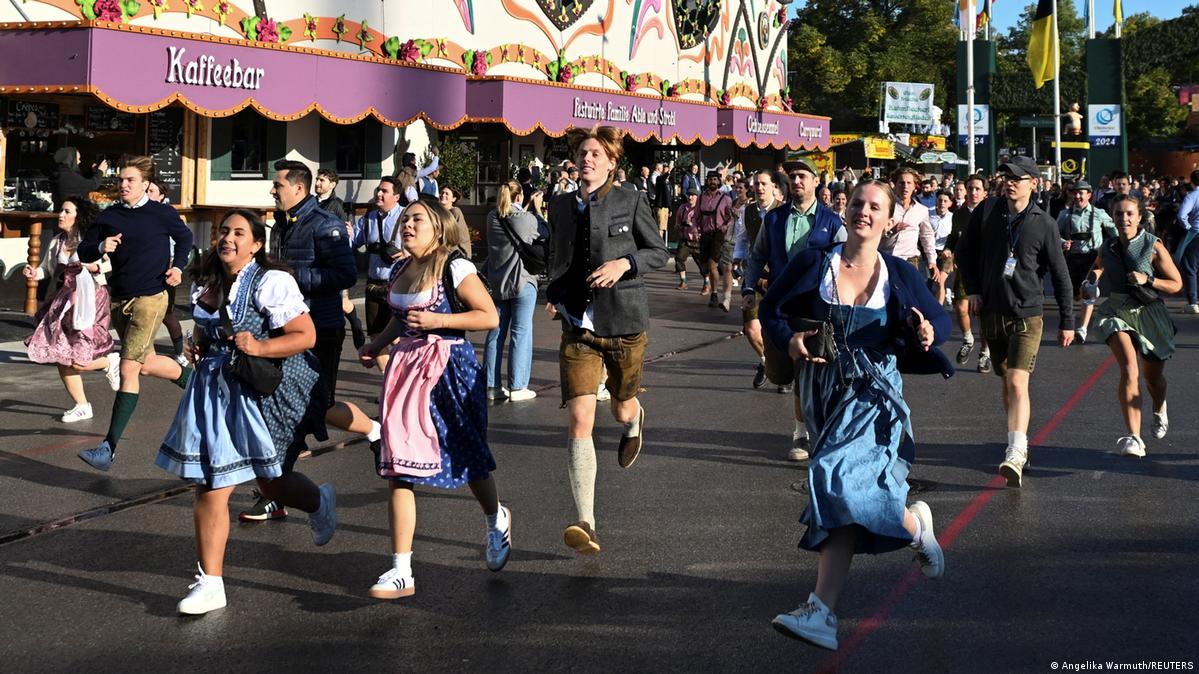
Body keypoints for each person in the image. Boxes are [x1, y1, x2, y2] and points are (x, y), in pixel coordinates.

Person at [760, 180, 948, 651]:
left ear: (889, 220)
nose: (864, 212)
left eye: (875, 207)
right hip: (824, 391)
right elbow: (771, 310)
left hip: (875, 394)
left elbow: (938, 320)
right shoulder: (814, 262)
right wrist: (791, 340)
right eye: (858, 203)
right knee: (841, 492)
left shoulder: (900, 274)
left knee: (832, 476)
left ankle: (821, 611)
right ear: (846, 210)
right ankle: (912, 525)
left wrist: (929, 332)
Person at [157, 210, 335, 615]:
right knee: (210, 483)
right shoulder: (207, 279)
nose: (227, 239)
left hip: (257, 391)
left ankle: (318, 502)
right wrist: (198, 344)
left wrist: (259, 347)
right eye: (223, 231)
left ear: (256, 244)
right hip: (213, 388)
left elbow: (305, 335)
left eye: (239, 233)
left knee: (271, 482)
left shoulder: (272, 281)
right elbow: (206, 328)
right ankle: (210, 582)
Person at [358, 196, 511, 599]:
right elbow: (399, 317)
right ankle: (401, 570)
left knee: (468, 456)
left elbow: (488, 315)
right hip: (406, 371)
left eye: (417, 220)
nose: (407, 225)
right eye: (405, 219)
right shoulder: (399, 267)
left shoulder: (454, 266)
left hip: (449, 368)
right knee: (398, 466)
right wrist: (377, 343)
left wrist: (438, 320)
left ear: (439, 228)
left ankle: (496, 519)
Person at [544, 125, 669, 554]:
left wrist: (623, 264)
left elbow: (659, 251)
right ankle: (586, 521)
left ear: (612, 162)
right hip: (578, 326)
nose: (587, 158)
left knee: (619, 408)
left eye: (596, 153)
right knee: (580, 418)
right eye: (582, 152)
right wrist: (554, 294)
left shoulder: (630, 198)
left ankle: (635, 419)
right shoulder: (559, 205)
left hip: (624, 323)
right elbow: (556, 256)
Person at [248, 160, 376, 520]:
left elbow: (345, 273)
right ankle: (275, 490)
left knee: (308, 409)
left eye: (278, 185)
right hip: (285, 329)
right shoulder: (282, 224)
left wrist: (292, 276)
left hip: (321, 327)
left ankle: (372, 430)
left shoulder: (325, 225)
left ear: (299, 189)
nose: (273, 191)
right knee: (281, 409)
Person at [955, 156, 1075, 488]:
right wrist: (975, 290)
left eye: (1018, 177)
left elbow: (1061, 276)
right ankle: (1016, 439)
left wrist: (1068, 321)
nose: (1010, 181)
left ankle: (1016, 451)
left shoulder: (1044, 223)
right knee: (1006, 383)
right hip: (993, 311)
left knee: (1019, 383)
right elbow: (963, 252)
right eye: (1006, 176)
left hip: (1028, 314)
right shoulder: (988, 212)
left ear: (1033, 183)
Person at [76, 156, 194, 472]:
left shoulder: (161, 213)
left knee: (128, 368)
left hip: (152, 297)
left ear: (145, 184)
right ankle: (198, 384)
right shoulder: (109, 215)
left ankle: (108, 448)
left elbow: (185, 238)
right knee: (146, 365)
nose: (123, 185)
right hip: (120, 300)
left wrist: (178, 267)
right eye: (121, 179)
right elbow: (83, 250)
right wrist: (102, 245)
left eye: (130, 180)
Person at [742, 158, 844, 461]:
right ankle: (808, 423)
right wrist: (748, 289)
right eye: (793, 176)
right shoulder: (774, 219)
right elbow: (757, 255)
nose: (797, 181)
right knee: (780, 372)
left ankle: (803, 434)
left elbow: (847, 261)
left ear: (816, 182)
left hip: (815, 308)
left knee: (806, 372)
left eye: (803, 176)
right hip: (780, 307)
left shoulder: (832, 221)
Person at [1086, 195, 1181, 457]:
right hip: (1116, 311)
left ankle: (1159, 408)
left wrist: (1148, 280)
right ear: (1113, 217)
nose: (1124, 219)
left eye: (1129, 214)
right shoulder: (1108, 247)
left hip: (1149, 313)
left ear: (1140, 217)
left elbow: (1176, 284)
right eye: (1118, 214)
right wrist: (1090, 283)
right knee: (1129, 368)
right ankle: (1134, 437)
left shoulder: (1153, 246)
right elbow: (1097, 268)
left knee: (1153, 378)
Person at [23, 196, 121, 422]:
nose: (61, 215)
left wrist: (95, 265)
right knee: (60, 354)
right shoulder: (57, 241)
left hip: (90, 298)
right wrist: (33, 273)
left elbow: (109, 263)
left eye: (67, 211)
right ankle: (82, 405)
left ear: (79, 216)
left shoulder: (91, 240)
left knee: (80, 355)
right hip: (66, 299)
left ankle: (109, 362)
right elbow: (47, 269)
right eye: (61, 211)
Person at [483, 180, 543, 402]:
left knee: (496, 333)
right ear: (519, 197)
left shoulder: (492, 218)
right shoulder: (525, 219)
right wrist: (536, 209)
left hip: (498, 281)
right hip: (522, 280)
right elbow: (541, 233)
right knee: (521, 333)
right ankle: (518, 386)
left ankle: (491, 384)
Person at [352, 176, 409, 373]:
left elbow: (426, 243)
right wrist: (346, 234)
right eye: (378, 189)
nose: (378, 193)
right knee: (376, 336)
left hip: (400, 284)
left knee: (396, 336)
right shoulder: (368, 218)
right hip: (373, 284)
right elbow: (353, 242)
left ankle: (405, 377)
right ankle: (388, 381)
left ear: (396, 196)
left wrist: (409, 253)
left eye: (384, 191)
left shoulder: (407, 216)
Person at [735, 170, 786, 390]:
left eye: (764, 184)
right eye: (756, 184)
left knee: (778, 327)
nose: (760, 188)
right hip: (754, 275)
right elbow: (742, 237)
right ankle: (767, 362)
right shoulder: (747, 211)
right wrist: (737, 259)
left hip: (778, 276)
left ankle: (784, 373)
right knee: (751, 328)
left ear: (774, 187)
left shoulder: (784, 212)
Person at [314, 168, 367, 350]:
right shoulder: (312, 202)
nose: (318, 183)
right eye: (317, 179)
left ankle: (355, 324)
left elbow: (343, 232)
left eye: (322, 180)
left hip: (333, 261)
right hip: (316, 260)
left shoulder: (336, 205)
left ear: (332, 184)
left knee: (341, 301)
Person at [1057, 180, 1116, 343]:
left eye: (1081, 193)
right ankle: (1072, 317)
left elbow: (1114, 232)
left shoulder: (1099, 213)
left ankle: (1082, 329)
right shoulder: (1065, 215)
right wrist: (1063, 242)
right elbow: (1054, 233)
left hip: (1094, 258)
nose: (1077, 196)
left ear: (1089, 195)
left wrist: (1116, 246)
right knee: (1074, 294)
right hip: (1073, 258)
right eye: (1075, 193)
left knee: (1090, 289)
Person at [944, 175, 990, 372]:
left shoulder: (992, 213)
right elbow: (954, 237)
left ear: (985, 193)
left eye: (977, 189)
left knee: (983, 313)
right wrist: (948, 249)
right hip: (965, 268)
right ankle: (968, 339)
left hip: (986, 269)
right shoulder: (959, 214)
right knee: (961, 308)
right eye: (970, 188)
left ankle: (985, 353)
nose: (973, 192)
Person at [882, 168, 942, 288]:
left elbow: (927, 236)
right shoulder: (885, 206)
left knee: (908, 296)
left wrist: (932, 261)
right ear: (895, 185)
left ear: (915, 186)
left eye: (909, 183)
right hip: (885, 257)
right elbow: (873, 233)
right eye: (902, 183)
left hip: (910, 260)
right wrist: (892, 230)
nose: (905, 186)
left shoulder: (921, 210)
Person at [697, 171, 735, 311]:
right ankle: (715, 276)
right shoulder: (701, 198)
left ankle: (714, 294)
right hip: (705, 234)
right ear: (707, 181)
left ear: (719, 182)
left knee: (712, 264)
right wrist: (696, 229)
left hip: (718, 234)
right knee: (704, 266)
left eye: (715, 179)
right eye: (710, 179)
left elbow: (731, 217)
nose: (713, 182)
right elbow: (697, 216)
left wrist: (726, 226)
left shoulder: (726, 199)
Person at [1176, 170, 1199, 314]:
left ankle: (1192, 302)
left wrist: (1188, 227)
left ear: (1192, 181)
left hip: (1196, 233)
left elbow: (1181, 215)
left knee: (1190, 267)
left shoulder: (1191, 196)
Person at [929, 189, 954, 304]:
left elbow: (955, 237)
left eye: (945, 201)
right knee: (931, 281)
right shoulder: (928, 214)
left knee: (940, 282)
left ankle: (939, 309)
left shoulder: (953, 217)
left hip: (947, 253)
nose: (942, 203)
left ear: (950, 203)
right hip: (931, 252)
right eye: (940, 200)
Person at [439, 185, 473, 260]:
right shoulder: (438, 212)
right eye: (442, 193)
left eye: (447, 194)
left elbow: (461, 236)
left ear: (453, 199)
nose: (443, 195)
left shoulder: (455, 212)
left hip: (454, 253)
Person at [653, 163, 674, 240]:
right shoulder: (659, 179)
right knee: (660, 228)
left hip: (666, 207)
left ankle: (662, 244)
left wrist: (670, 208)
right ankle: (659, 246)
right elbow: (662, 178)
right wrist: (669, 171)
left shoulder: (668, 182)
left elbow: (668, 196)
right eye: (664, 169)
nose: (666, 170)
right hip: (660, 206)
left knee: (663, 228)